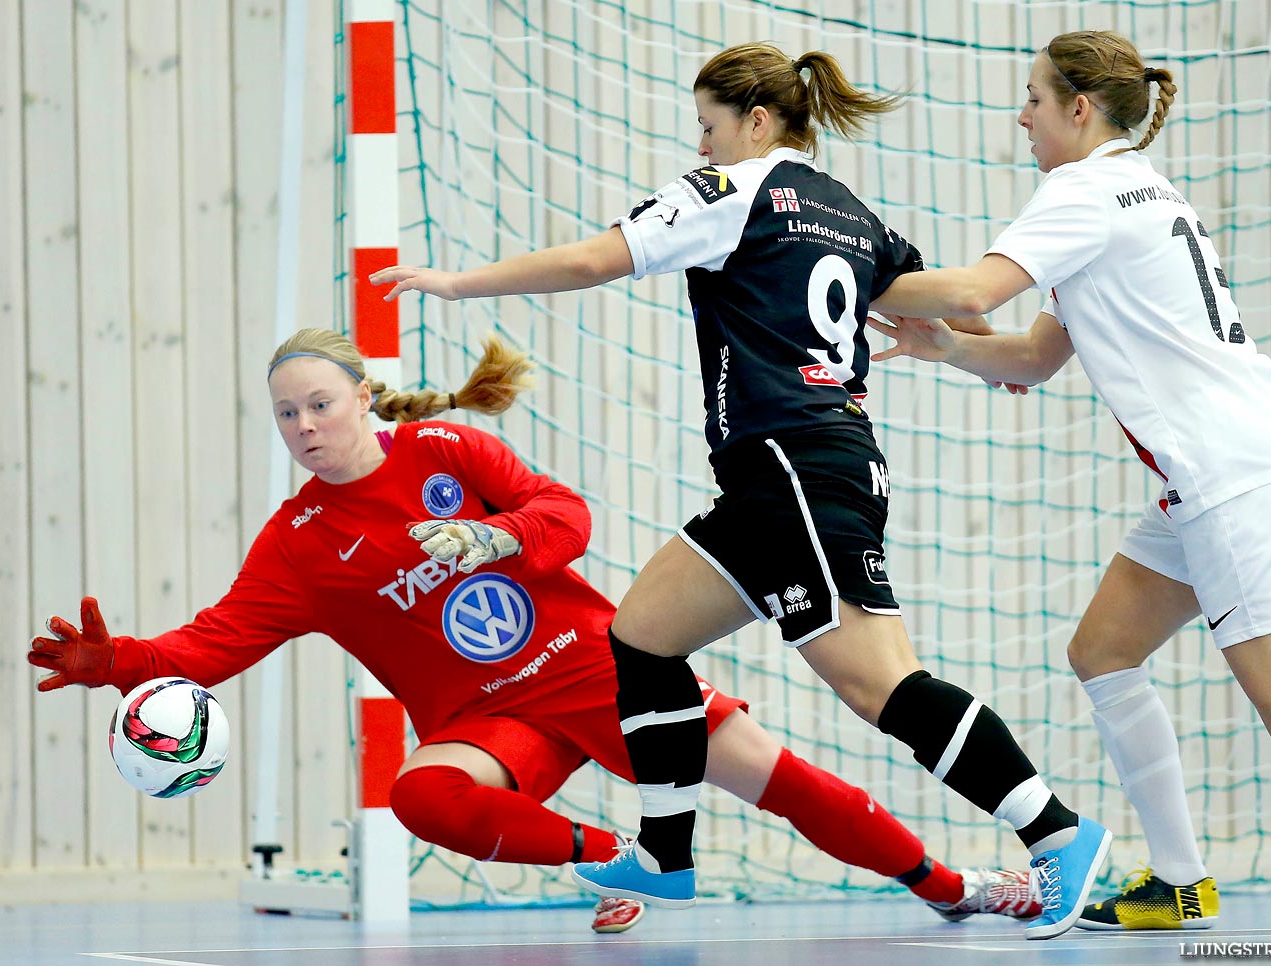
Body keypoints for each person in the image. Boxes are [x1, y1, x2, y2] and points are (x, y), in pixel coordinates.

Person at [371, 42, 1110, 940]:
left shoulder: (731, 191)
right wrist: (981, 358)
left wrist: (457, 282)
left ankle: (1058, 834)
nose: (704, 144)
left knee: (883, 687)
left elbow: (591, 261)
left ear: (756, 122)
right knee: (641, 638)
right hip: (784, 474)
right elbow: (962, 317)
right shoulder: (849, 210)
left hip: (796, 465)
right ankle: (666, 857)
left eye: (710, 126)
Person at [28, 327, 1042, 934]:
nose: (304, 428)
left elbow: (569, 519)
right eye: (286, 415)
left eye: (320, 405)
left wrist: (488, 541)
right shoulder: (296, 544)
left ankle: (954, 886)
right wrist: (109, 663)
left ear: (363, 399)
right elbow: (212, 646)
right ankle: (617, 855)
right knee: (423, 796)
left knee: (790, 788)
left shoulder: (449, 448)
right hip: (487, 717)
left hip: (602, 671)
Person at [866, 28, 1271, 931]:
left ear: (1080, 109)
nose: (1021, 113)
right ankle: (1182, 882)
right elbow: (1035, 354)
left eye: (1034, 97)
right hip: (1221, 467)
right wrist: (950, 349)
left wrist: (827, 265)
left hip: (1225, 470)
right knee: (1103, 653)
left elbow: (972, 289)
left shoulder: (1079, 190)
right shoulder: (1135, 189)